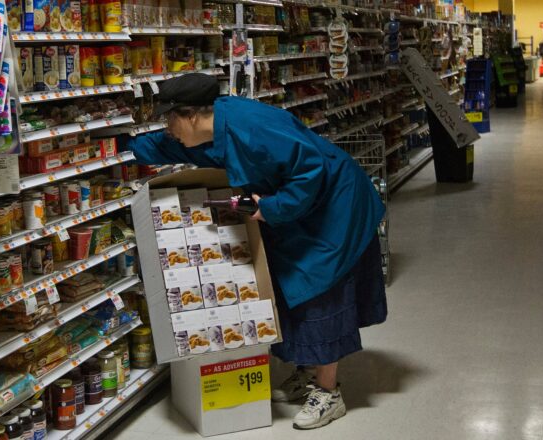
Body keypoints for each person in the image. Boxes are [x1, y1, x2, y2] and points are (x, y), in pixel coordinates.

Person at [121, 74, 388, 430]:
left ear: (191, 115)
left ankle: (328, 392)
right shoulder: (209, 131)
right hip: (296, 213)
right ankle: (307, 371)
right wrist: (116, 144)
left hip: (334, 210)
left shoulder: (254, 127)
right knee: (287, 289)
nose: (167, 127)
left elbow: (312, 170)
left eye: (169, 119)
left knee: (320, 294)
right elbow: (167, 146)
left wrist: (271, 208)